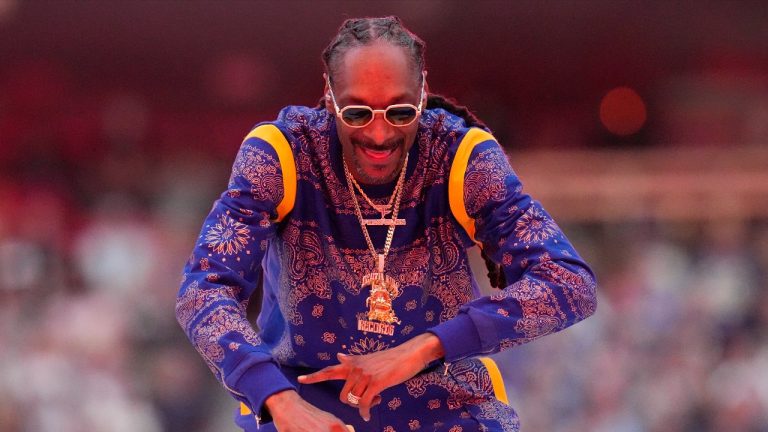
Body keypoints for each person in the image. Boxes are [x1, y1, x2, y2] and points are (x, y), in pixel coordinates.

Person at [176, 16, 596, 432]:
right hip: (299, 401)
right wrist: (274, 397)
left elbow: (570, 282)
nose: (379, 135)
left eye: (400, 111)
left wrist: (426, 348)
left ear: (423, 91)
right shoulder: (282, 154)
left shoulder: (461, 158)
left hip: (444, 399)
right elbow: (203, 288)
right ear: (330, 95)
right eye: (357, 114)